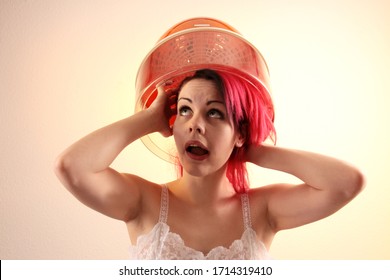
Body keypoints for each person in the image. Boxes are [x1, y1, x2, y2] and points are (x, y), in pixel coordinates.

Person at [54, 19, 365, 260]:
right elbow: (71, 167)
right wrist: (147, 119)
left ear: (240, 131)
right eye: (185, 110)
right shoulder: (142, 202)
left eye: (214, 113)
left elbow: (347, 182)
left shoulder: (263, 210)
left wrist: (251, 149)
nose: (195, 126)